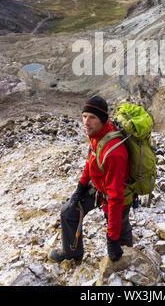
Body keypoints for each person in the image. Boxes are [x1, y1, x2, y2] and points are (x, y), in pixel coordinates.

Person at [49, 96, 133, 264]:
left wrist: (112, 239)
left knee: (121, 252)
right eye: (84, 116)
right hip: (100, 188)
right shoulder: (97, 136)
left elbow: (115, 197)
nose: (86, 122)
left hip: (119, 197)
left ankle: (127, 262)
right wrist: (80, 187)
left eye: (92, 117)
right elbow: (91, 162)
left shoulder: (114, 152)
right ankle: (72, 252)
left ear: (102, 120)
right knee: (69, 212)